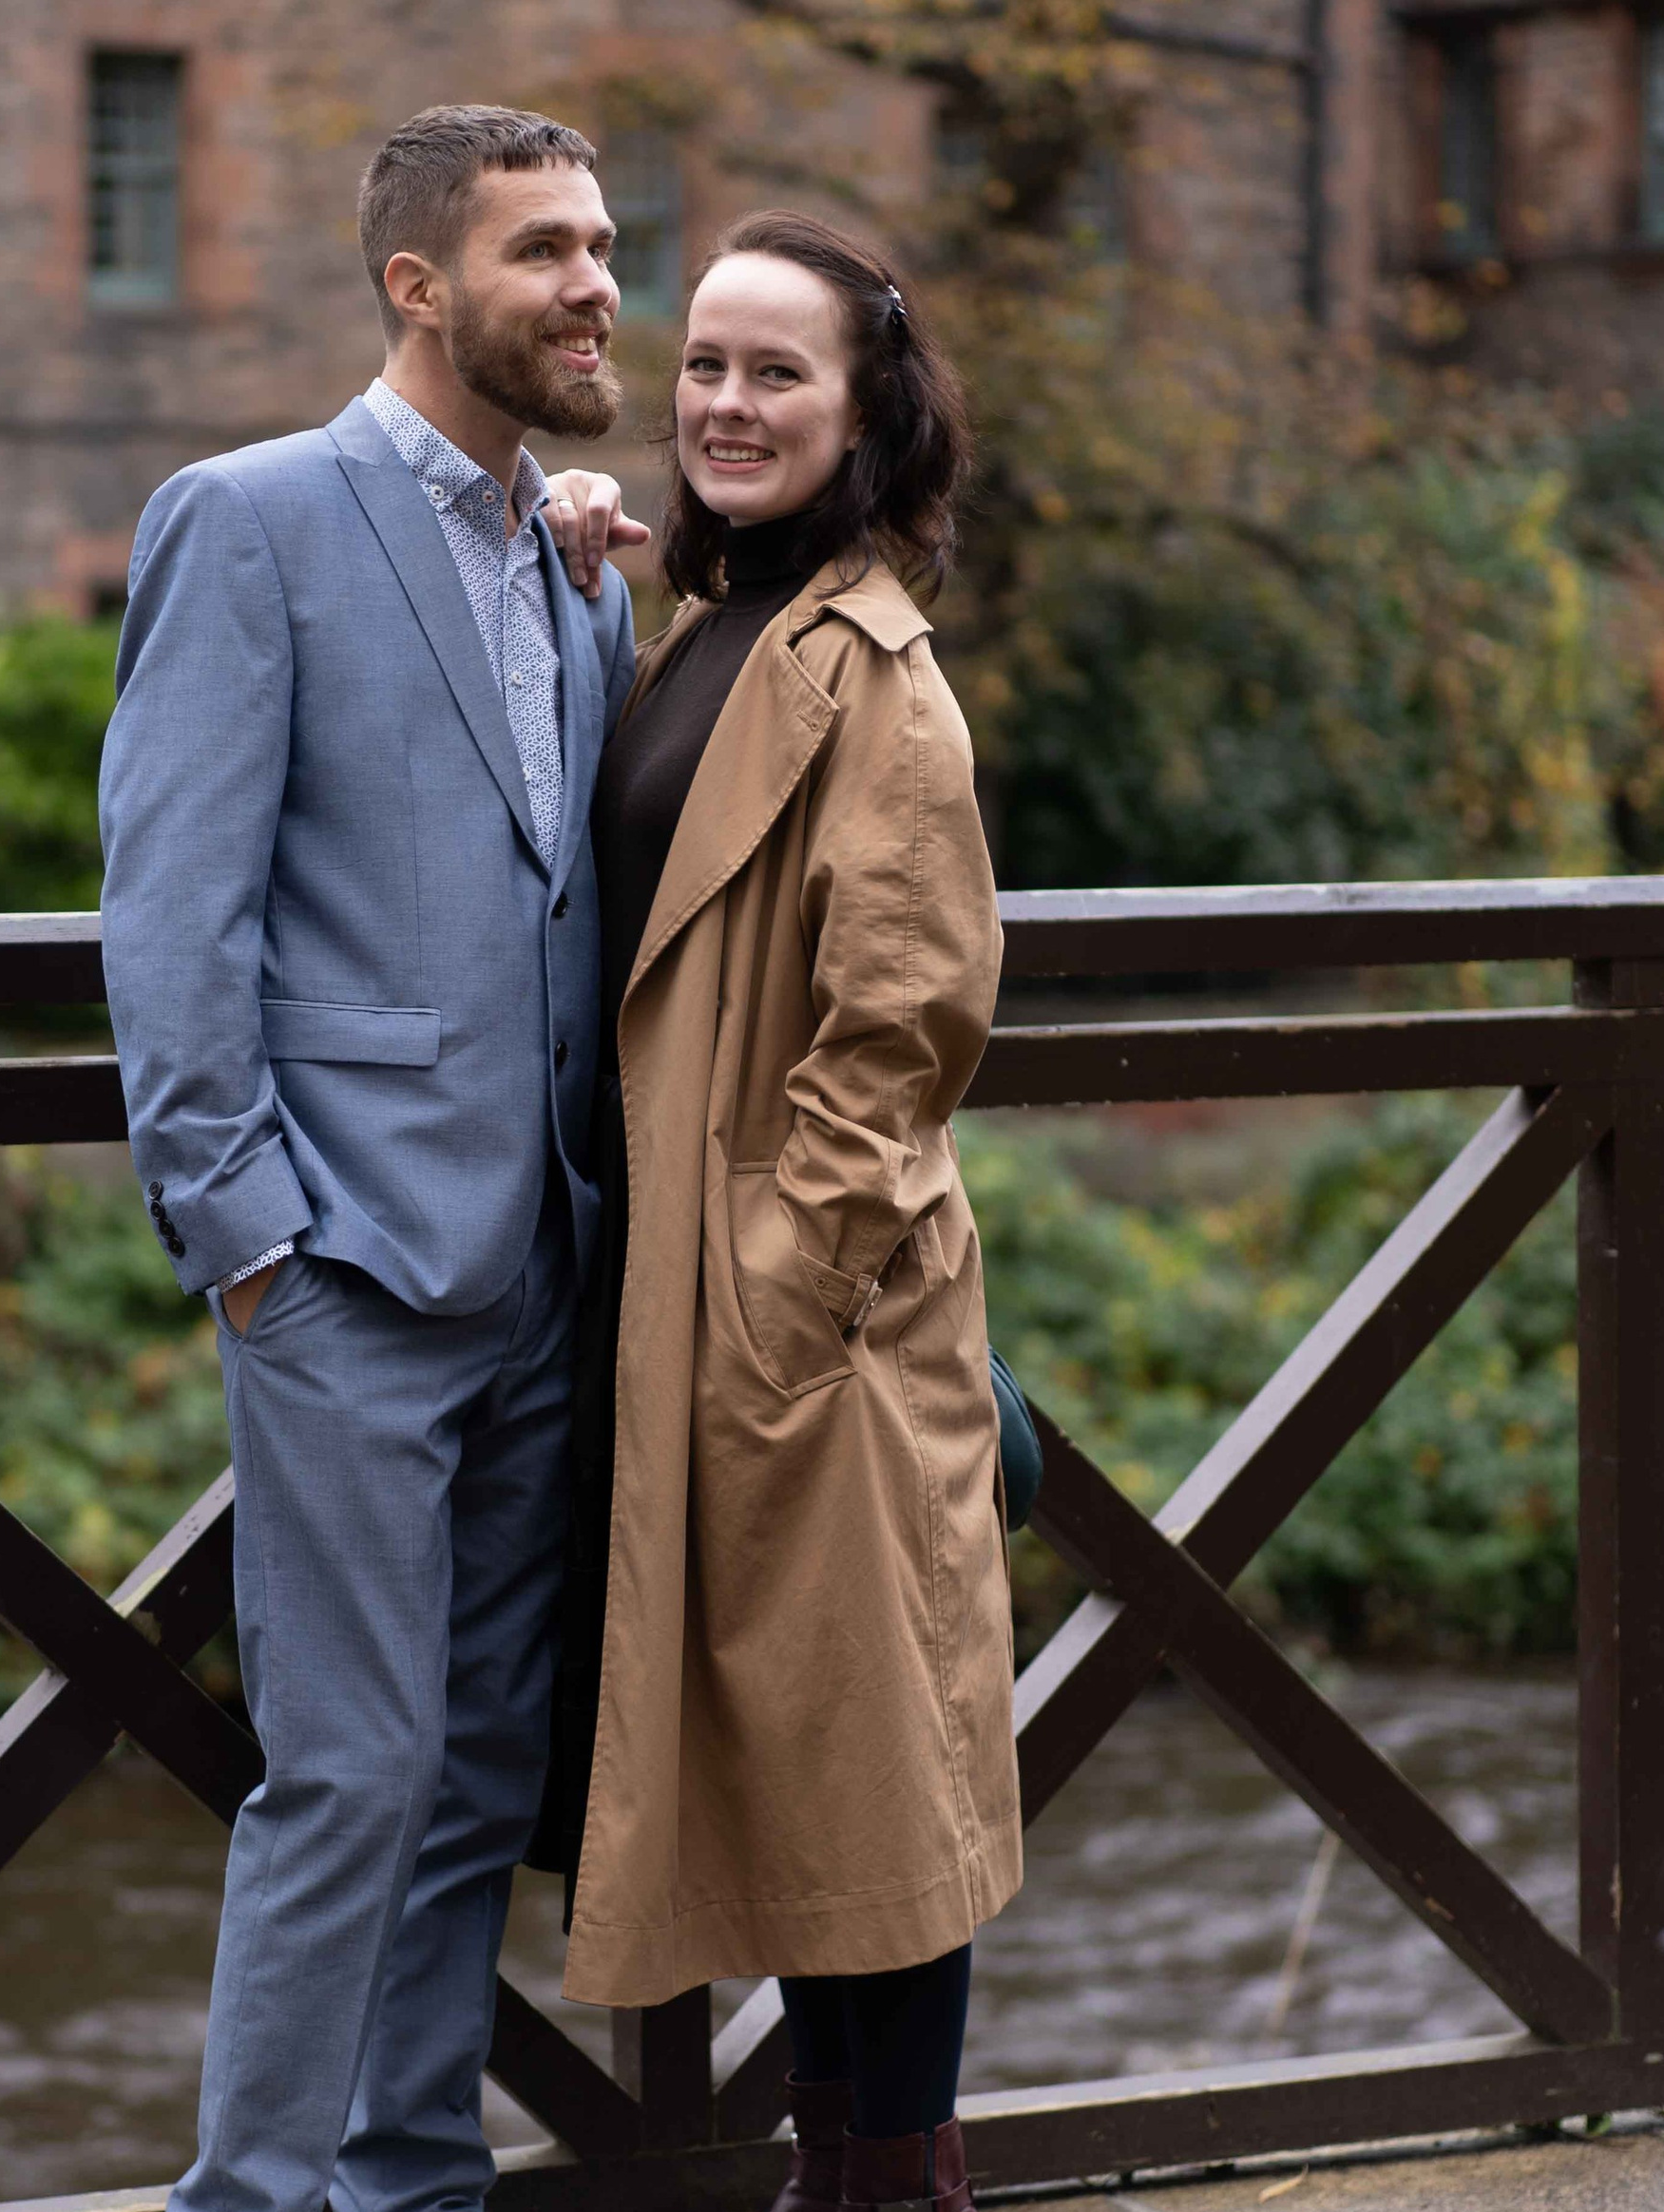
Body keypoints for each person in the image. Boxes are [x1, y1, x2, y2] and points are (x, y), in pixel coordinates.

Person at [98, 104, 639, 2212]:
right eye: (542, 252)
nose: (594, 283)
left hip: (541, 1274)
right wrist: (247, 1243)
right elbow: (171, 917)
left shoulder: (569, 556)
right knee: (341, 1774)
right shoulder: (246, 519)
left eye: (601, 243)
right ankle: (251, 2198)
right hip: (335, 1271)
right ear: (417, 285)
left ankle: (412, 2177)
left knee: (477, 1768)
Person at [540, 212, 1021, 2212]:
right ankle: (837, 2174)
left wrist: (774, 1292)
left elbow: (898, 1028)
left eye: (776, 374)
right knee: (812, 1779)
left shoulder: (872, 675)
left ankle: (886, 2187)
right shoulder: (705, 625)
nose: (724, 404)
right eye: (705, 367)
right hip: (688, 1294)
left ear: (864, 408)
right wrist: (545, 548)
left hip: (798, 1315)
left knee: (874, 1791)